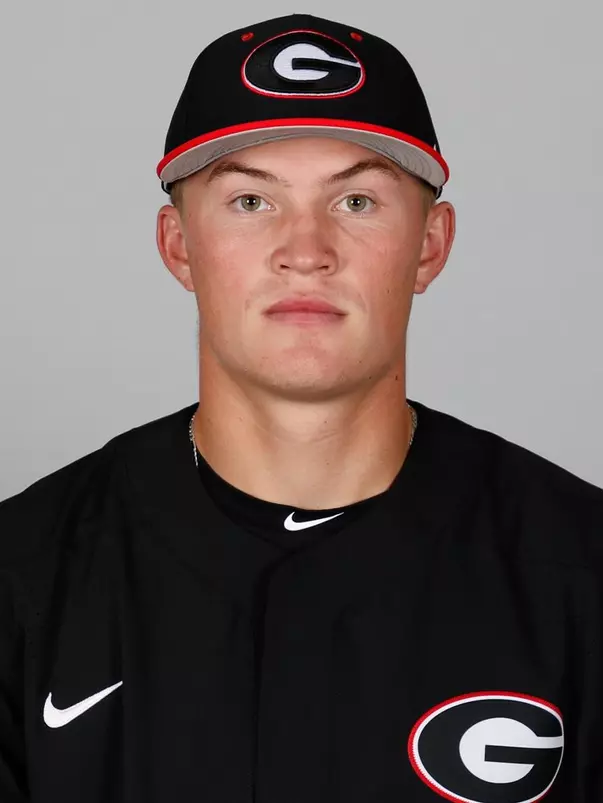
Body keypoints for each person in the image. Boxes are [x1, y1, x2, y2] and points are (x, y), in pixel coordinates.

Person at [1, 12, 601, 803]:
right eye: (251, 201)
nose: (306, 248)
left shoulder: (579, 573)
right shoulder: (25, 578)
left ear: (429, 244)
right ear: (179, 245)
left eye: (356, 201)